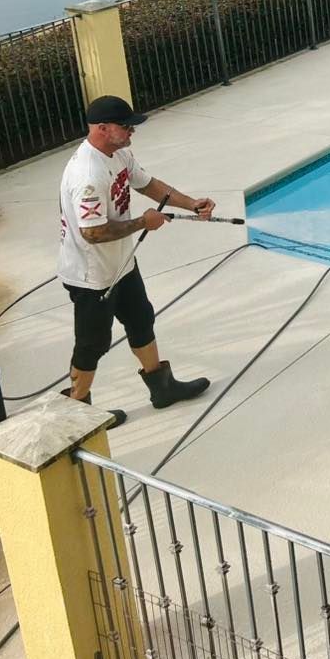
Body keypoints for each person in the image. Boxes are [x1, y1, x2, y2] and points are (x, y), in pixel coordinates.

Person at [58, 94, 215, 427]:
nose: (132, 132)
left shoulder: (119, 153)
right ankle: (78, 412)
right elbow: (93, 233)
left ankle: (162, 387)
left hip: (121, 262)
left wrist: (192, 204)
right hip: (92, 276)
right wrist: (144, 222)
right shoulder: (87, 174)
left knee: (141, 318)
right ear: (102, 128)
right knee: (92, 343)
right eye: (126, 126)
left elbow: (148, 184)